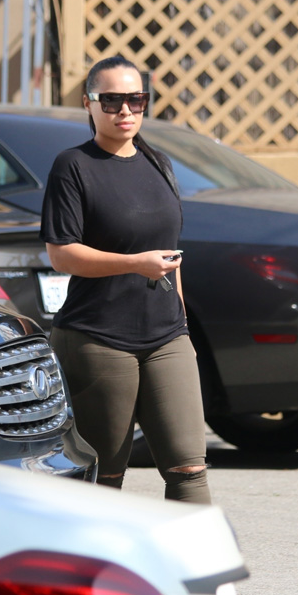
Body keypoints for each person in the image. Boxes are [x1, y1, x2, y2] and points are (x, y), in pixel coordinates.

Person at [40, 56, 210, 504]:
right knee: (106, 475)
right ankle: (93, 571)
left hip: (167, 336)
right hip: (98, 338)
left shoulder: (159, 163)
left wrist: (184, 327)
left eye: (136, 99)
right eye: (111, 100)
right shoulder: (74, 165)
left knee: (189, 467)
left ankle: (195, 572)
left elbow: (172, 254)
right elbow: (62, 254)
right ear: (89, 104)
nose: (125, 111)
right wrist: (135, 264)